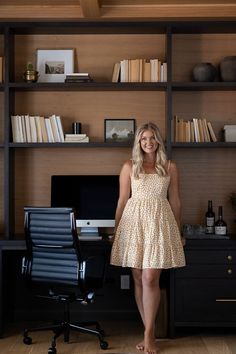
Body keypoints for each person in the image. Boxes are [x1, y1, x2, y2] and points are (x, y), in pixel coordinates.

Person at [110, 122, 186, 354]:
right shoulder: (129, 166)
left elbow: (175, 201)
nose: (148, 142)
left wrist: (179, 231)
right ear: (139, 142)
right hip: (134, 225)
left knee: (151, 277)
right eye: (143, 139)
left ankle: (148, 334)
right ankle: (149, 332)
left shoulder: (169, 166)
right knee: (138, 276)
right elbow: (122, 201)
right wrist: (116, 232)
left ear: (158, 140)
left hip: (160, 225)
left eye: (152, 138)